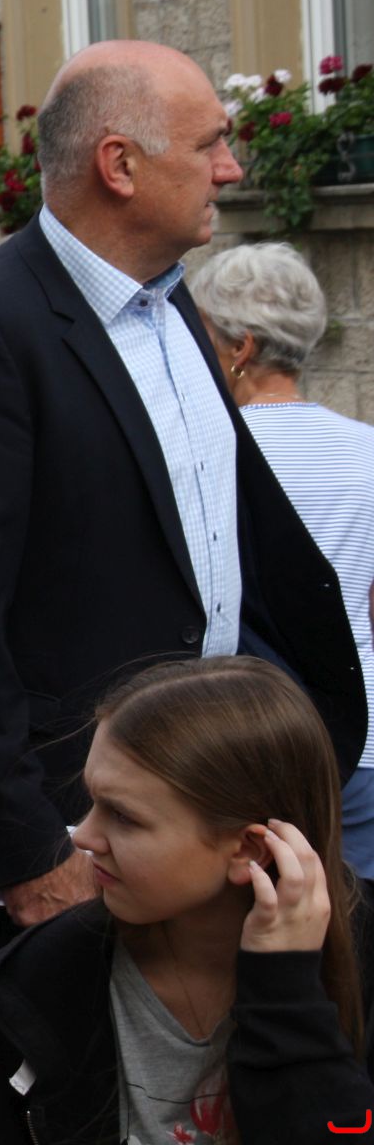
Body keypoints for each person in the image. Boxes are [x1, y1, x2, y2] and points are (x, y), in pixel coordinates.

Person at [0, 39, 364, 956]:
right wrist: (29, 851)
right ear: (120, 165)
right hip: (75, 831)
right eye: (210, 144)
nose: (232, 168)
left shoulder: (172, 304)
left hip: (202, 800)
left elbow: (218, 541)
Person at [0, 657, 374, 1144]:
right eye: (93, 801)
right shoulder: (45, 974)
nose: (82, 836)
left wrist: (289, 998)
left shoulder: (362, 964)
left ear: (248, 850)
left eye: (124, 816)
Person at [190, 242, 374, 877]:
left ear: (240, 348)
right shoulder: (368, 450)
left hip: (238, 734)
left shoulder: (206, 456)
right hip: (362, 733)